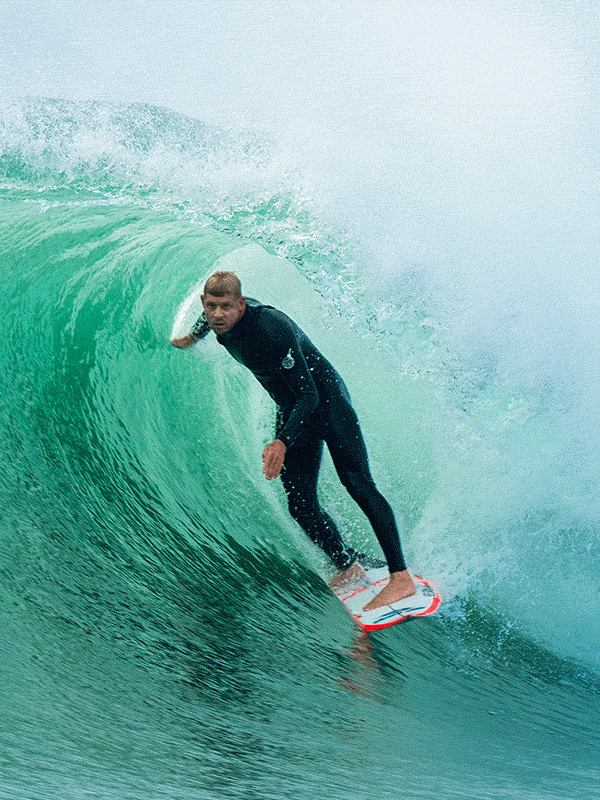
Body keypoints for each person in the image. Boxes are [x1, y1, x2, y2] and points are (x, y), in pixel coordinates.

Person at [171, 271, 415, 612]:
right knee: (300, 504)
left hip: (328, 404)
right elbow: (209, 319)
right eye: (211, 307)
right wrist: (193, 337)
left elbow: (309, 394)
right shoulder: (218, 320)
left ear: (241, 305)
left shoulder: (271, 330)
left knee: (358, 484)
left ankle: (401, 578)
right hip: (293, 409)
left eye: (226, 306)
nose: (218, 314)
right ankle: (348, 565)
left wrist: (282, 441)